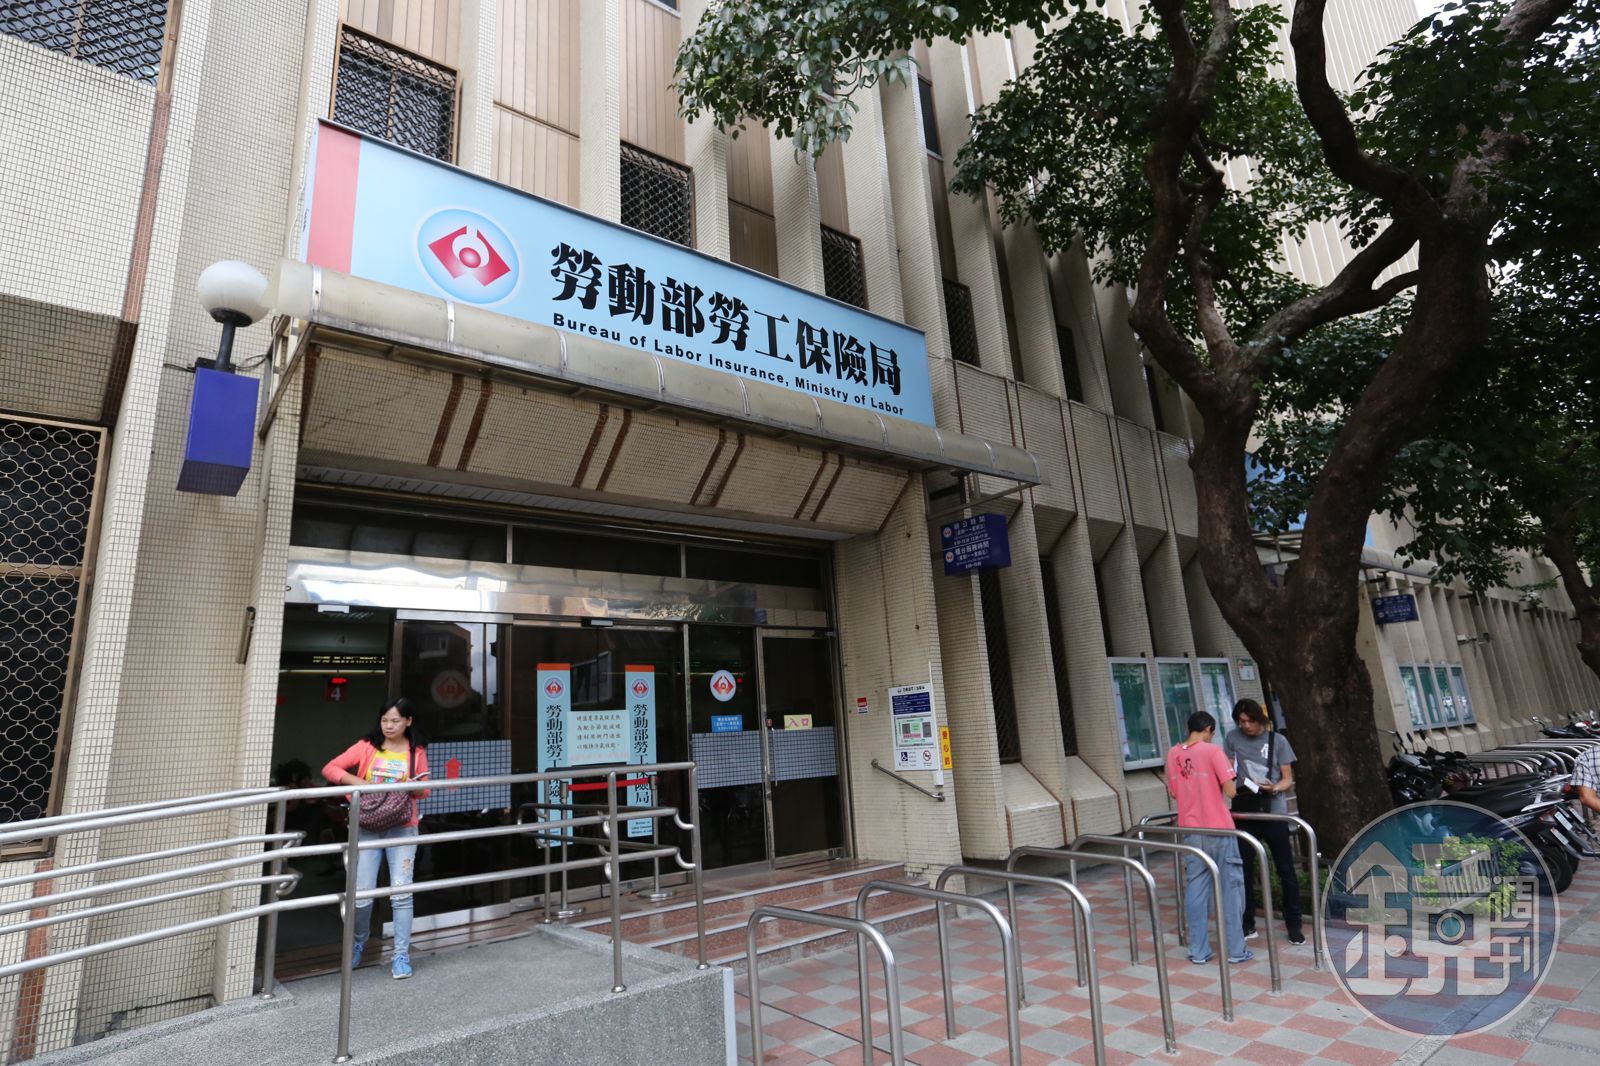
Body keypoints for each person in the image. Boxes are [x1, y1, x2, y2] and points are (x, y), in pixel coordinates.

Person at [323, 698, 430, 979]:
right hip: (368, 826)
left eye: (395, 721)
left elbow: (424, 791)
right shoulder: (367, 746)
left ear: (408, 721)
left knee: (402, 893)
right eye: (384, 720)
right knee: (362, 894)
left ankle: (401, 955)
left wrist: (413, 787)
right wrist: (360, 783)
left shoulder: (416, 751)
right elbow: (331, 768)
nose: (389, 726)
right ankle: (359, 942)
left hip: (403, 827)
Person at [1166, 710, 1253, 966]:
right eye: (1211, 733)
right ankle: (1236, 950)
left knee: (1196, 888)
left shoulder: (1173, 754)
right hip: (1219, 829)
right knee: (1230, 888)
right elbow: (1231, 790)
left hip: (1190, 831)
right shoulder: (1213, 751)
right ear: (1208, 729)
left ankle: (1199, 950)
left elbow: (1174, 792)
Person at [1224, 698, 1306, 945]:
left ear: (1260, 719)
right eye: (1241, 721)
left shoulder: (1277, 740)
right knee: (1243, 869)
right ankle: (1247, 922)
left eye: (1250, 721)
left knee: (1285, 869)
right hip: (1245, 809)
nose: (1246, 726)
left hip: (1273, 810)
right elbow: (1227, 770)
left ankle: (1294, 924)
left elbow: (1287, 778)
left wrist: (1274, 788)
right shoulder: (1232, 738)